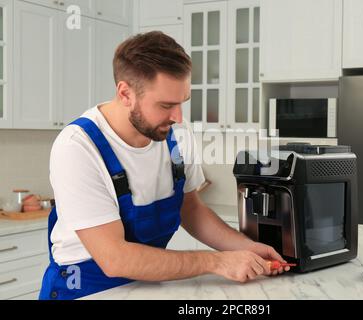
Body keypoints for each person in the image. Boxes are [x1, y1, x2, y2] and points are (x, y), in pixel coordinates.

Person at [39, 31, 290, 300]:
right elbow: (115, 259)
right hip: (85, 290)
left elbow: (191, 209)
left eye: (182, 103)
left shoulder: (176, 137)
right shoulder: (78, 147)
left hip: (148, 284)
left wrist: (248, 248)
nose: (178, 117)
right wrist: (218, 261)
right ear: (125, 94)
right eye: (165, 105)